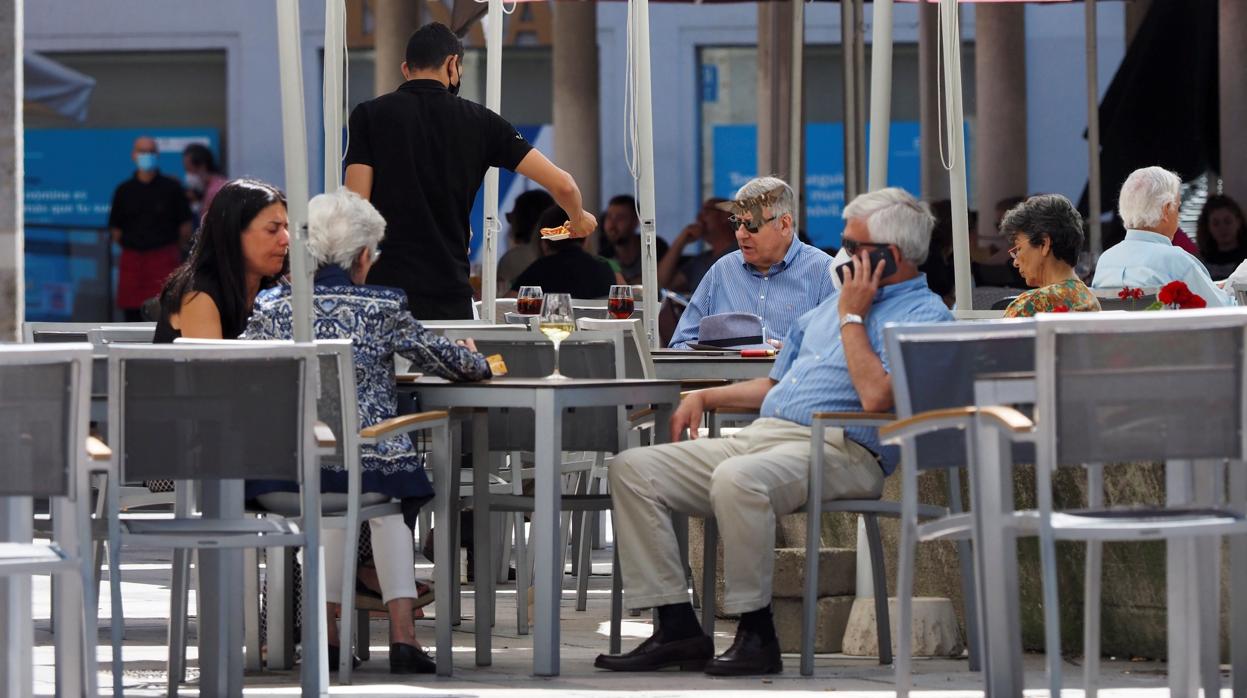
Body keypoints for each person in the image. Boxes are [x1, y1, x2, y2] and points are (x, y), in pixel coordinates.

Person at [594, 187, 953, 675]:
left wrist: (852, 316)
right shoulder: (832, 308)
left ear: (890, 256)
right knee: (633, 467)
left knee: (739, 479)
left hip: (843, 448)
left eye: (853, 245)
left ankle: (756, 630)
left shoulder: (924, 314)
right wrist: (705, 396)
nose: (841, 255)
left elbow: (878, 398)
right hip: (767, 437)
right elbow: (775, 382)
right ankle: (676, 624)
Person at [244, 189, 491, 674]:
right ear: (362, 256)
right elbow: (453, 363)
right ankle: (403, 636)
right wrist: (474, 354)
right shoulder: (383, 305)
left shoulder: (273, 306)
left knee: (340, 494)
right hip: (369, 464)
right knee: (383, 503)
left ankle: (330, 634)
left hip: (284, 473)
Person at [344, 22, 597, 320]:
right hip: (448, 292)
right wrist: (579, 218)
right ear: (453, 64)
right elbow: (564, 186)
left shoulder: (368, 115)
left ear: (405, 69)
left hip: (383, 292)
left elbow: (355, 208)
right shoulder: (483, 122)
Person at [668, 177, 834, 349]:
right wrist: (716, 356)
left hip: (790, 375)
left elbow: (839, 351)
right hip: (727, 375)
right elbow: (680, 344)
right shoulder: (722, 270)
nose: (741, 234)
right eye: (737, 223)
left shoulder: (824, 271)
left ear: (784, 224)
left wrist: (792, 353)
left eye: (751, 224)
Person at [153, 179, 289, 343]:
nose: (285, 239)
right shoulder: (198, 295)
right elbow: (213, 367)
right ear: (233, 234)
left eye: (286, 228)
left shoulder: (274, 287)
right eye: (272, 230)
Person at [1092, 166, 1232, 306]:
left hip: (1118, 328)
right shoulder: (1176, 261)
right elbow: (1223, 310)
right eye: (1177, 208)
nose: (1179, 216)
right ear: (1166, 210)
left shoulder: (1105, 261)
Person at [109, 135, 194, 321]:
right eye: (142, 151)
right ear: (133, 155)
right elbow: (115, 230)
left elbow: (185, 227)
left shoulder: (172, 188)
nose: (146, 155)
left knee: (167, 314)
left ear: (157, 155)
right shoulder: (123, 190)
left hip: (164, 261)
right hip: (132, 263)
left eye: (150, 151)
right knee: (131, 318)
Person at [999, 194, 1101, 317]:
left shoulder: (1031, 305)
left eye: (1018, 248)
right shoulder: (1089, 300)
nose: (1015, 262)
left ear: (1044, 243)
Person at [509, 205, 618, 298]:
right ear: (585, 239)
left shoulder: (539, 270)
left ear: (544, 242)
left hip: (554, 323)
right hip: (596, 323)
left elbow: (505, 306)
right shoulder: (605, 269)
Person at [658, 197, 737, 294]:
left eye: (706, 212)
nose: (698, 217)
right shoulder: (700, 261)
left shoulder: (745, 253)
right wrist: (681, 240)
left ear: (725, 215)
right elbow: (660, 284)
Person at [599, 194, 669, 284]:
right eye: (609, 217)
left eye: (620, 218)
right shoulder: (604, 255)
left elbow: (662, 281)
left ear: (635, 221)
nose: (612, 224)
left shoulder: (654, 246)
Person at [496, 189, 555, 293]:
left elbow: (500, 299)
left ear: (520, 220)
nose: (509, 224)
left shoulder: (511, 259)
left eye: (511, 217)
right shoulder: (563, 258)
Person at [1195, 194, 1247, 279]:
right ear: (1208, 227)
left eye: (1227, 221)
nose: (1222, 228)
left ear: (1238, 222)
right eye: (1216, 224)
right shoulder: (1200, 264)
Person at [182, 142, 228, 227]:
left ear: (202, 166)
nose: (188, 175)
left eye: (189, 169)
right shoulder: (208, 187)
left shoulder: (216, 190)